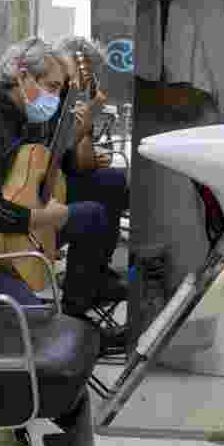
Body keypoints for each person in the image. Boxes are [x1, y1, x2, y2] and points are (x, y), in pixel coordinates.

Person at [0, 37, 125, 347]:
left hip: (7, 238)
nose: (56, 98)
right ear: (22, 77)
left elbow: (36, 175)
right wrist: (45, 218)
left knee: (96, 211)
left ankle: (76, 309)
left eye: (61, 89)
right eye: (52, 87)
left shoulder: (21, 119)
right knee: (34, 320)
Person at [47, 36, 130, 310]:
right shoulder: (46, 97)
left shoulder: (72, 99)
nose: (71, 83)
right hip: (38, 189)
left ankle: (94, 276)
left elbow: (80, 162)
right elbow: (57, 158)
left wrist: (88, 115)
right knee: (97, 206)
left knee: (114, 182)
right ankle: (78, 300)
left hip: (59, 180)